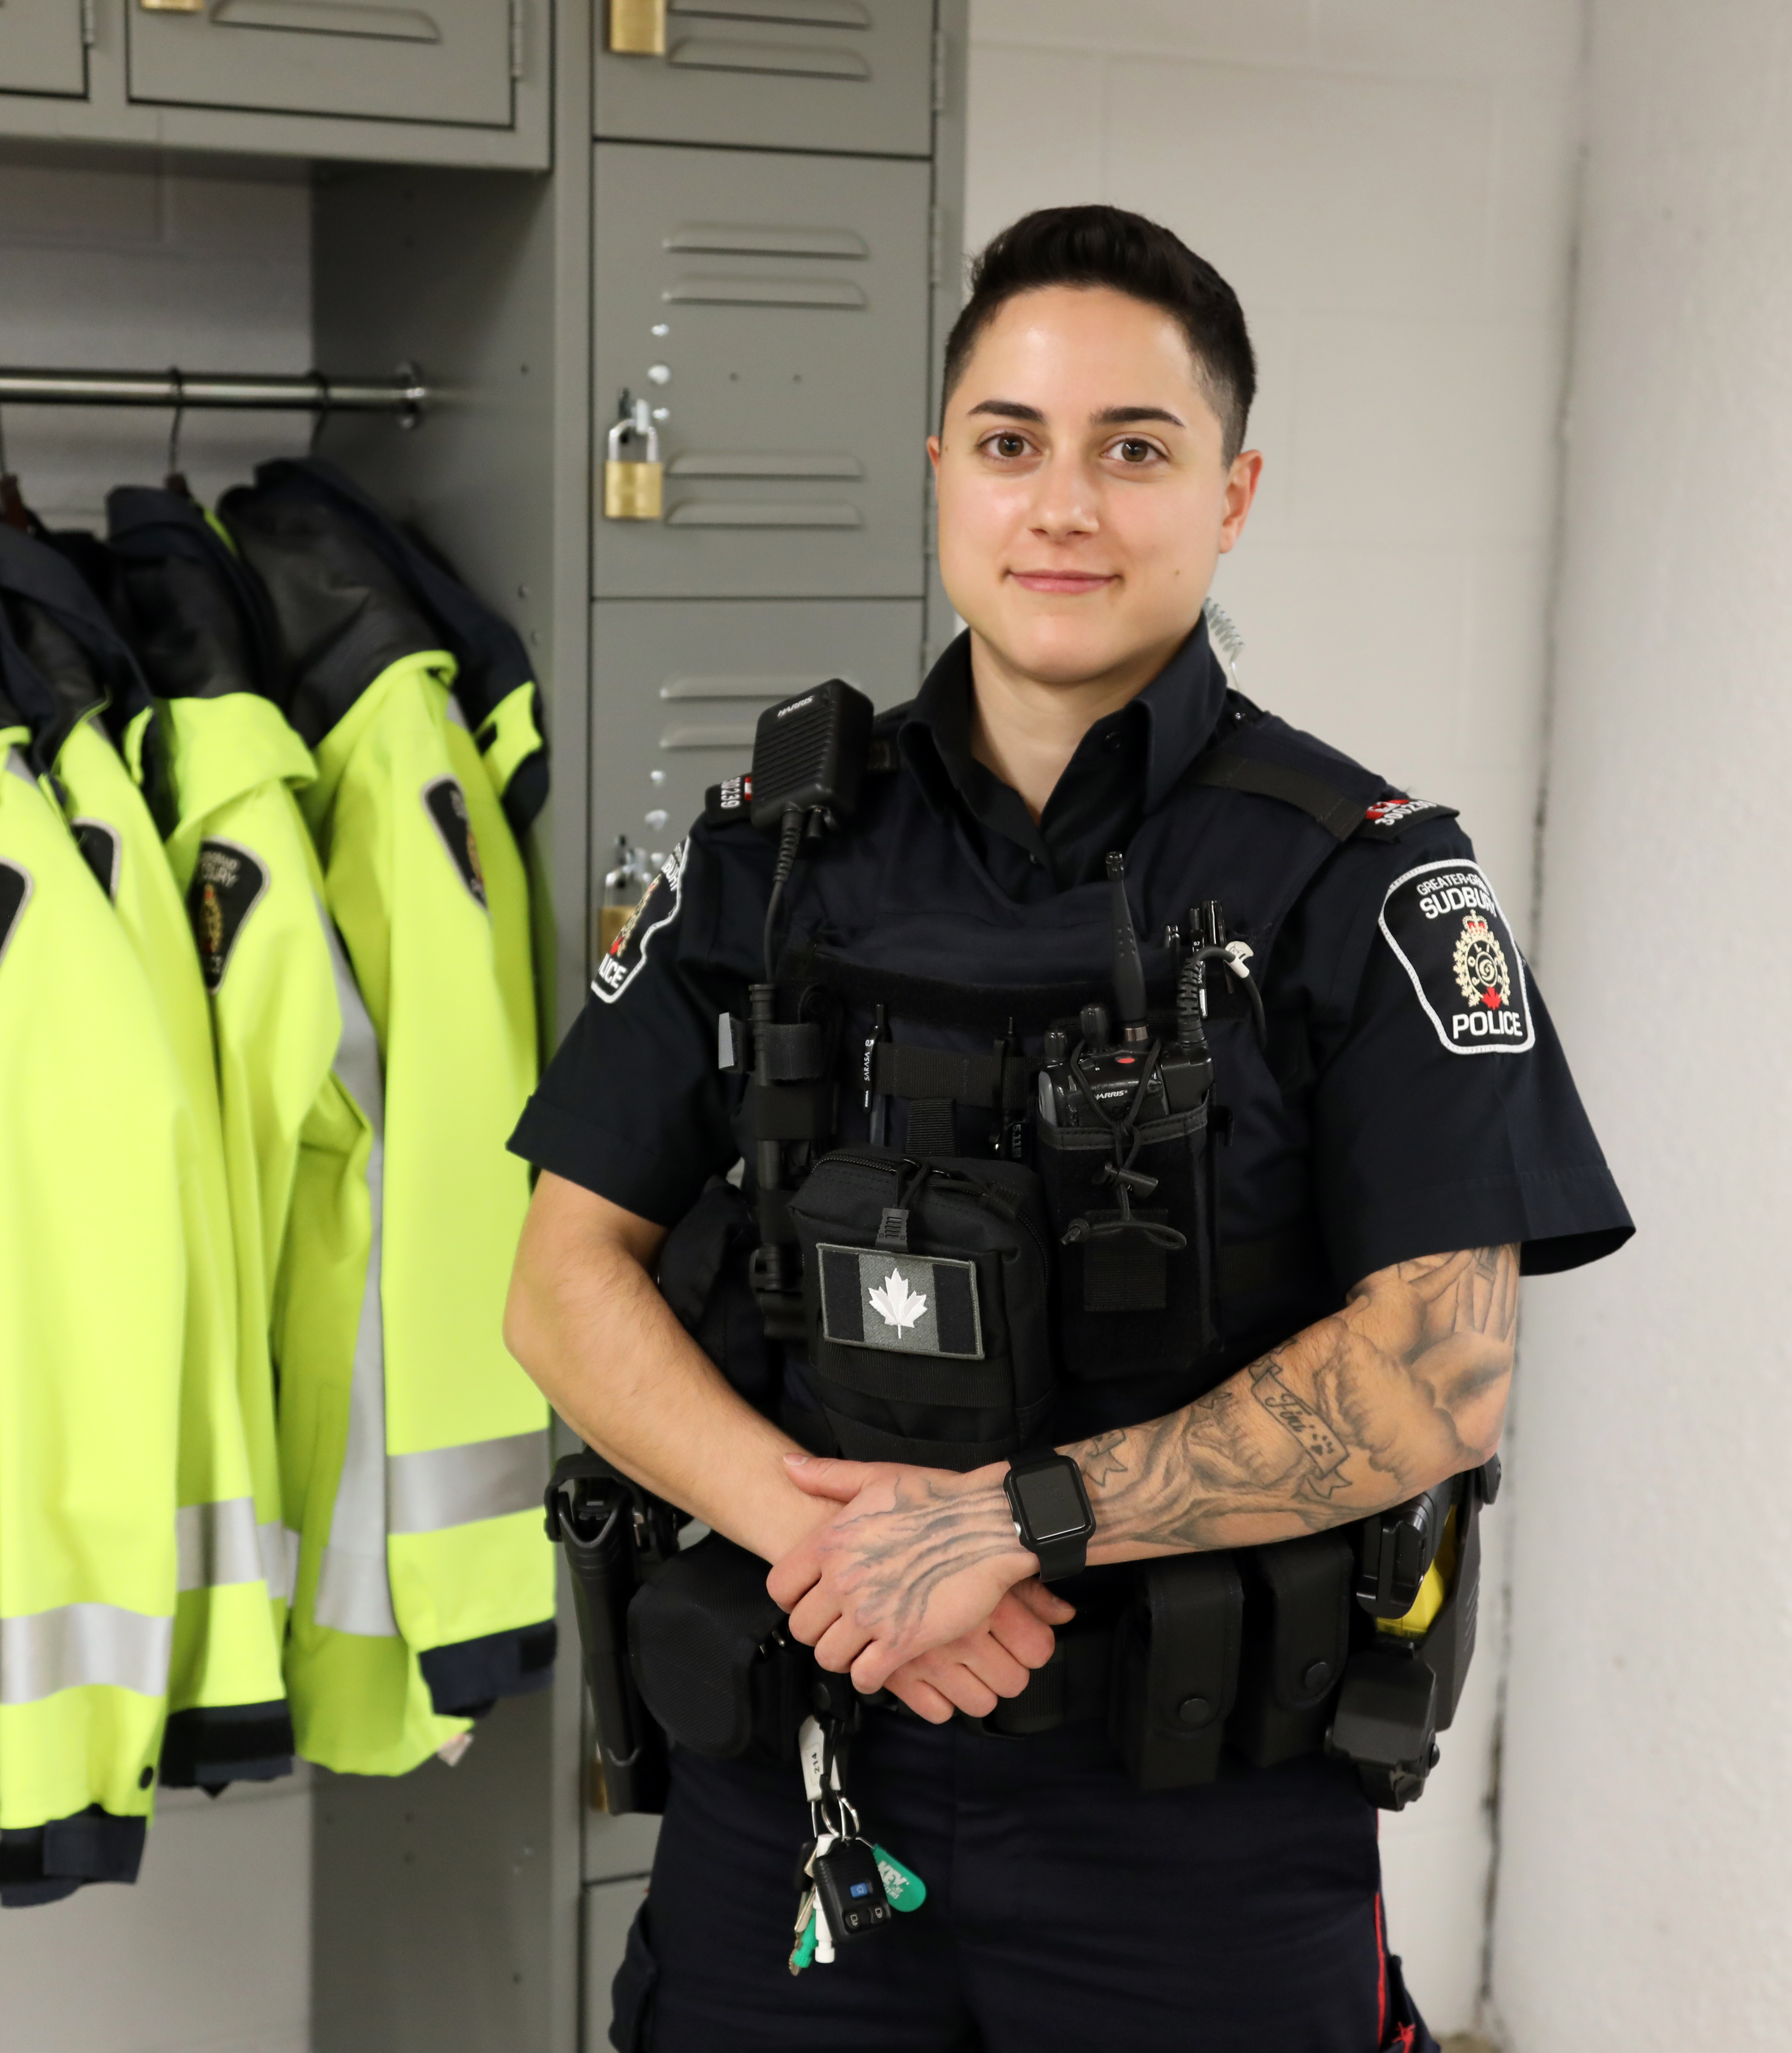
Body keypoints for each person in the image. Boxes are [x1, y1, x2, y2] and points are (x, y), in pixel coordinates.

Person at [505, 205, 1633, 2053]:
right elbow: (563, 1280)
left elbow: (1439, 1370)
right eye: (1015, 444)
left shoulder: (1364, 882)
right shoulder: (768, 852)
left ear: (1235, 492)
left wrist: (1025, 1522)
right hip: (808, 1772)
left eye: (1137, 449)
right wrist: (851, 1555)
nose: (1066, 506)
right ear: (943, 469)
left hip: (1193, 1829)